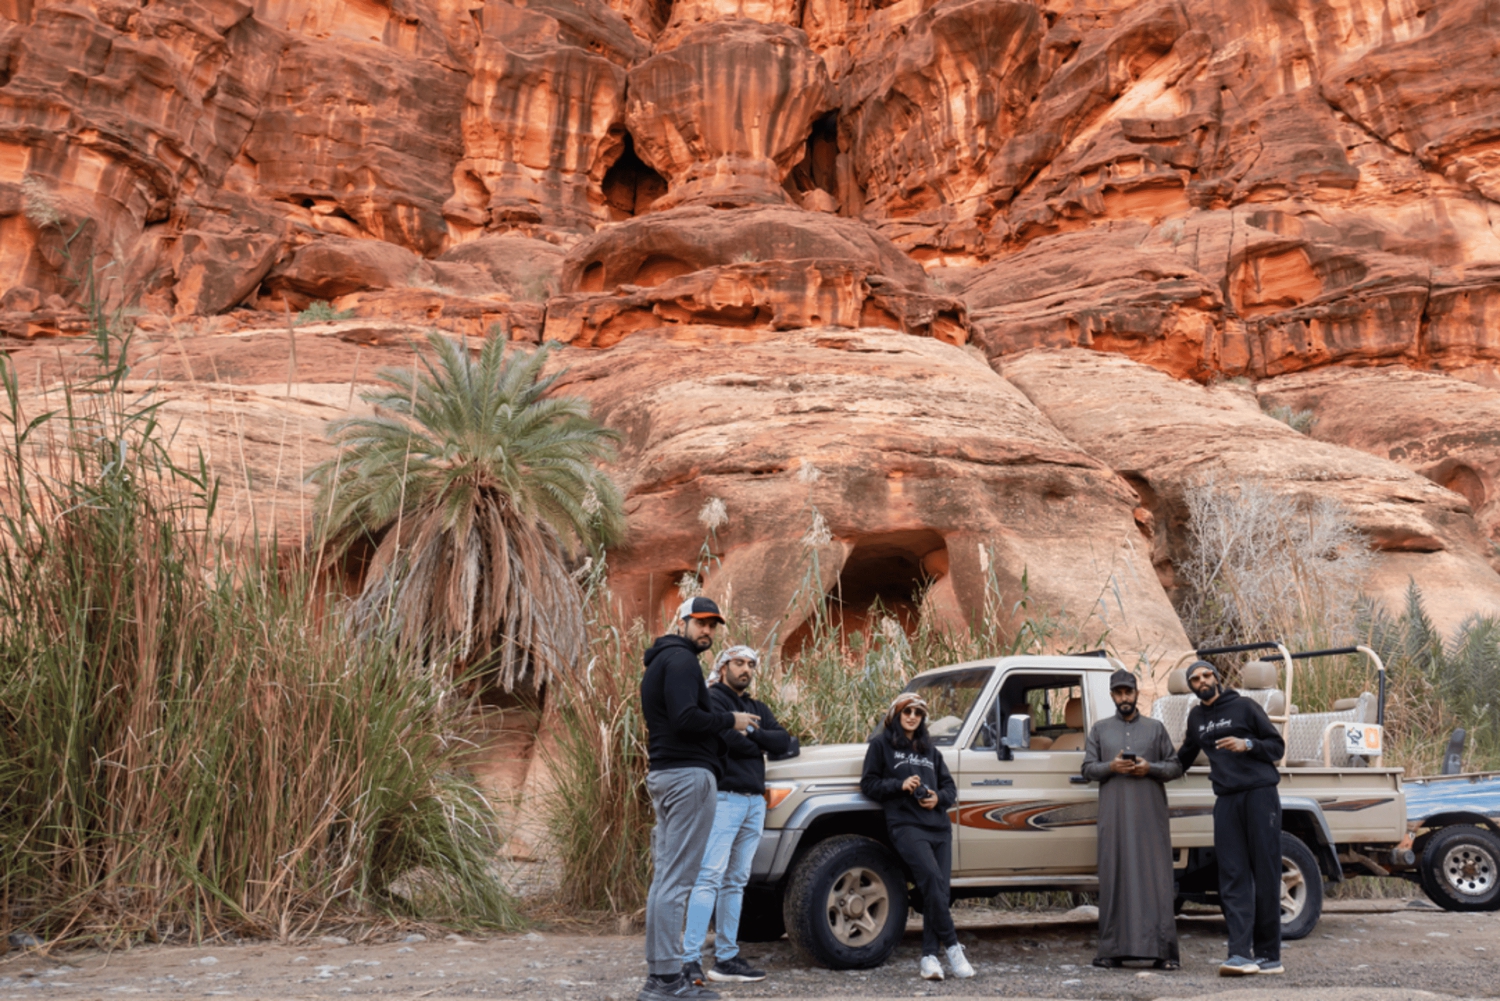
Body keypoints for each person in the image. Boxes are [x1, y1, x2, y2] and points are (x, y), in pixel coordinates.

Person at [638, 598, 760, 1001]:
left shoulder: (660, 661)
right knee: (678, 882)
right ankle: (669, 981)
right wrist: (732, 720)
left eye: (713, 625)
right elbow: (686, 718)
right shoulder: (682, 661)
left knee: (665, 881)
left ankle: (660, 977)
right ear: (683, 621)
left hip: (665, 774)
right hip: (688, 777)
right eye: (701, 623)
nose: (707, 630)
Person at [681, 646, 798, 986]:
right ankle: (689, 960)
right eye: (739, 663)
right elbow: (724, 740)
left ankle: (727, 957)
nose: (745, 669)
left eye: (750, 664)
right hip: (723, 798)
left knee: (735, 881)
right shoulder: (713, 699)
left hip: (753, 803)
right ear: (723, 666)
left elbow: (785, 742)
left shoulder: (757, 707)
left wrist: (755, 735)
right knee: (709, 877)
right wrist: (758, 743)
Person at [1176, 659, 1287, 977]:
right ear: (1192, 687)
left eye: (1206, 674)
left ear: (1216, 677)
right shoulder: (1196, 718)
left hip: (1260, 794)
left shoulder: (1245, 707)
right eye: (1195, 679)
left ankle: (1269, 955)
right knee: (1232, 875)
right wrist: (1148, 770)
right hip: (1226, 800)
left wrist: (1247, 744)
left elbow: (1276, 746)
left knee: (1265, 872)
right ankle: (1240, 954)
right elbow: (1183, 757)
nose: (1202, 680)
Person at [860, 693, 973, 981]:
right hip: (906, 825)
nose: (912, 716)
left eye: (918, 713)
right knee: (932, 881)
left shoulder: (930, 751)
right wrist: (901, 785)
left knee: (939, 893)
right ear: (895, 714)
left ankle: (929, 958)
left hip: (938, 827)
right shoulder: (881, 745)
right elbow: (869, 784)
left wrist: (938, 798)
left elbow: (950, 788)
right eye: (907, 711)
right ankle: (953, 948)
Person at [1082, 669, 1184, 970]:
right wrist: (1111, 766)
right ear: (1112, 695)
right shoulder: (1100, 730)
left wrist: (1149, 767)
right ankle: (1111, 952)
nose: (1124, 698)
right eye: (1118, 693)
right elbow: (1087, 768)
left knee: (1156, 878)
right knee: (1115, 875)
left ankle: (1164, 953)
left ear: (1137, 693)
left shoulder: (1155, 728)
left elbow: (1175, 766)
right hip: (1114, 817)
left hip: (1150, 817)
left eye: (1128, 692)